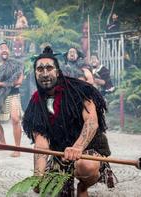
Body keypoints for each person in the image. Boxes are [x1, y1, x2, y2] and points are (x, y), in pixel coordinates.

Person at [23, 46, 114, 197]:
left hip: (89, 149)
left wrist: (77, 147)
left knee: (85, 166)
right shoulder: (36, 102)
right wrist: (38, 175)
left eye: (49, 68)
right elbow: (41, 142)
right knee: (42, 188)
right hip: (61, 153)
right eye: (40, 69)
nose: (45, 73)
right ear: (35, 73)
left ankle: (83, 187)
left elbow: (91, 122)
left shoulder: (78, 90)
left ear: (57, 72)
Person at [0, 42, 24, 157]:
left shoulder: (17, 64)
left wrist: (2, 84)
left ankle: (17, 149)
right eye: (1, 48)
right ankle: (2, 143)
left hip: (13, 94)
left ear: (9, 51)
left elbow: (19, 82)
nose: (3, 50)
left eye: (5, 48)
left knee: (15, 119)